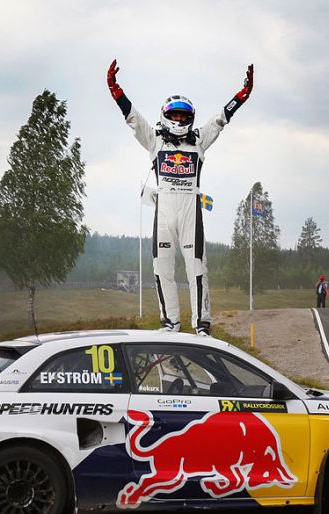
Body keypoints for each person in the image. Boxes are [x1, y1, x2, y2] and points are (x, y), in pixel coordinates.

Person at [108, 59, 254, 335]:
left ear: (190, 119)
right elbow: (133, 118)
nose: (178, 120)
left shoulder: (198, 139)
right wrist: (115, 89)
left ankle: (201, 323)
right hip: (163, 209)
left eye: (183, 116)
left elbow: (221, 119)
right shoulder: (155, 140)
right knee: (162, 269)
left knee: (197, 269)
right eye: (173, 115)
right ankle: (171, 321)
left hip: (190, 209)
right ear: (165, 116)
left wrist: (242, 95)